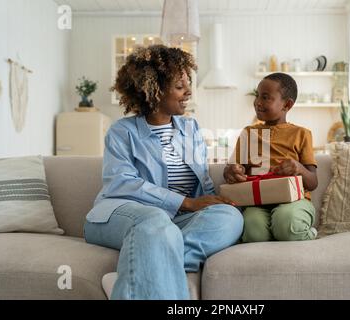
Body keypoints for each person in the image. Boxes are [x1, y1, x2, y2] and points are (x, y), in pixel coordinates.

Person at [83, 45, 243, 300]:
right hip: (118, 214)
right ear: (153, 91)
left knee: (230, 218)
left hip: (173, 221)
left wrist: (226, 182)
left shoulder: (191, 128)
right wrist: (187, 203)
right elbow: (122, 183)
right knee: (154, 220)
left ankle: (136, 273)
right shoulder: (122, 132)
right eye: (180, 86)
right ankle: (149, 272)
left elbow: (202, 185)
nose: (189, 91)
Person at [224, 73, 318, 243]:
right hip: (258, 203)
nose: (258, 102)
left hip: (294, 201)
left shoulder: (301, 134)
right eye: (257, 96)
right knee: (253, 230)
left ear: (287, 104)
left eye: (266, 97)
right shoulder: (248, 133)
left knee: (286, 221)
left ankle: (306, 233)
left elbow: (312, 183)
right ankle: (274, 234)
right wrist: (232, 170)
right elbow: (232, 169)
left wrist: (298, 168)